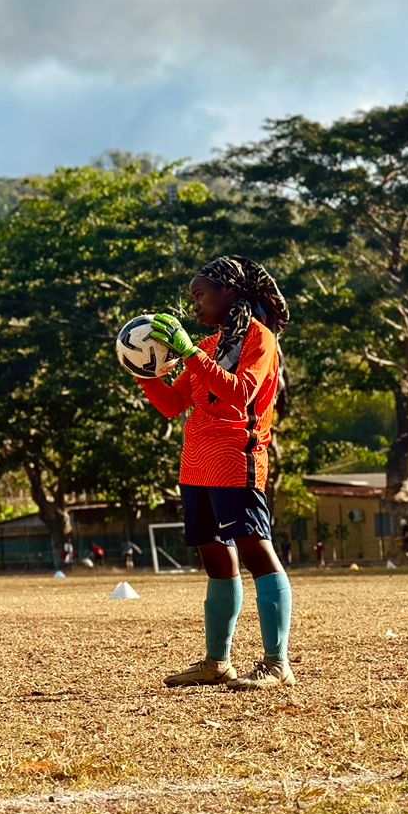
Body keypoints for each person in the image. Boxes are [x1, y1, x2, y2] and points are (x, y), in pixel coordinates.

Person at [141, 255, 294, 691]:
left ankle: (276, 662)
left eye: (200, 294)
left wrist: (188, 352)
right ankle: (217, 662)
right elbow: (173, 406)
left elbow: (241, 395)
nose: (196, 304)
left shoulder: (259, 341)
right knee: (215, 560)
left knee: (256, 552)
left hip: (236, 459)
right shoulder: (208, 347)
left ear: (229, 292)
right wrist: (144, 372)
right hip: (197, 464)